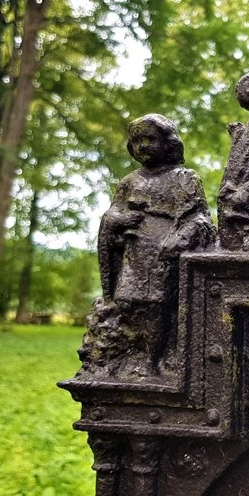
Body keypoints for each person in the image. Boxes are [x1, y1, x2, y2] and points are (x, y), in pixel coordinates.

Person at [87, 114, 217, 374]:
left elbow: (200, 219)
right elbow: (112, 215)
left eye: (150, 139)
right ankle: (132, 354)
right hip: (135, 255)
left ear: (169, 143)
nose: (143, 146)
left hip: (166, 256)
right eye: (137, 141)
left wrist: (178, 241)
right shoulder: (129, 182)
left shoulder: (184, 178)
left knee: (157, 304)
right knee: (128, 301)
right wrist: (121, 219)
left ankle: (152, 360)